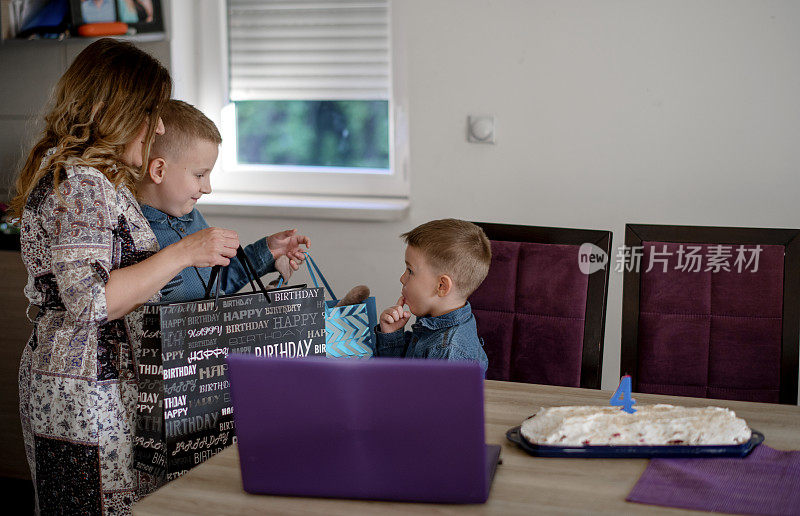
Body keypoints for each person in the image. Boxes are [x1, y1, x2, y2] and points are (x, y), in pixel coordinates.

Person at [12, 38, 240, 514]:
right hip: (83, 391)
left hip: (96, 383)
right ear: (116, 109)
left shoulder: (89, 178)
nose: (158, 126)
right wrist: (184, 252)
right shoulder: (82, 185)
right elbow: (92, 303)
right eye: (151, 112)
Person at [136, 99, 309, 303]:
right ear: (159, 170)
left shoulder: (193, 218)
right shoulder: (133, 233)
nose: (207, 188)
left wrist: (267, 252)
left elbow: (218, 284)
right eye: (200, 175)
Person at [375, 219, 491, 375]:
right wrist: (392, 335)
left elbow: (405, 390)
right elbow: (403, 372)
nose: (402, 278)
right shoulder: (434, 319)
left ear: (441, 286)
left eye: (410, 271)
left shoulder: (447, 353)